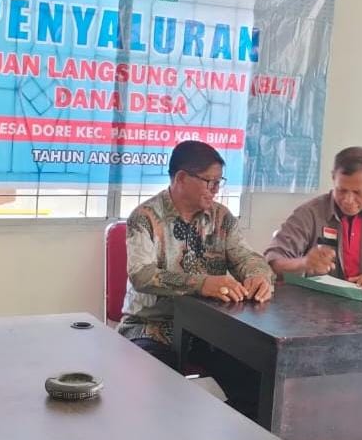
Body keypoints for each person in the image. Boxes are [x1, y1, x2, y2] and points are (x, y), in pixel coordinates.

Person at [118, 141, 275, 367]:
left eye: (219, 182)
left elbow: (246, 257)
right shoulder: (145, 217)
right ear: (181, 178)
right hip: (152, 328)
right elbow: (141, 275)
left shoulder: (222, 217)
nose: (216, 190)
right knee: (158, 376)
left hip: (208, 329)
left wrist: (258, 276)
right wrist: (201, 284)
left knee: (255, 369)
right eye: (210, 182)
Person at [265, 146, 362, 288]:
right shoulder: (310, 213)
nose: (348, 200)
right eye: (341, 190)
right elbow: (271, 262)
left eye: (358, 192)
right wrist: (304, 263)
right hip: (318, 307)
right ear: (333, 178)